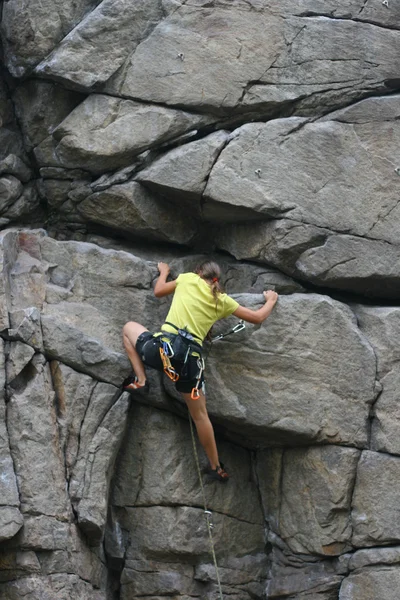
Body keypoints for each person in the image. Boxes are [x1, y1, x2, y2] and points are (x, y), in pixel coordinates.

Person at [122, 260, 278, 482]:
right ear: (216, 281)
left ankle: (141, 380)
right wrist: (270, 300)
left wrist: (164, 272)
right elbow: (258, 317)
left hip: (162, 351)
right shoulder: (222, 300)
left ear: (198, 272)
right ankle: (216, 467)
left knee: (128, 328)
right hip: (190, 364)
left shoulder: (187, 278)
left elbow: (158, 291)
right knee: (200, 415)